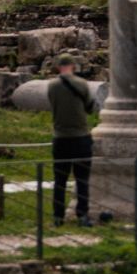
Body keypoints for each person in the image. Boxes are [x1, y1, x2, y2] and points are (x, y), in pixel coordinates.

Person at [47, 55, 96, 228]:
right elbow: (90, 107)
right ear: (73, 66)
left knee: (60, 180)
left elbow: (53, 106)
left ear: (59, 67)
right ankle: (82, 215)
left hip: (60, 138)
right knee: (82, 179)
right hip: (81, 137)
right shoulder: (82, 84)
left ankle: (58, 217)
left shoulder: (52, 86)